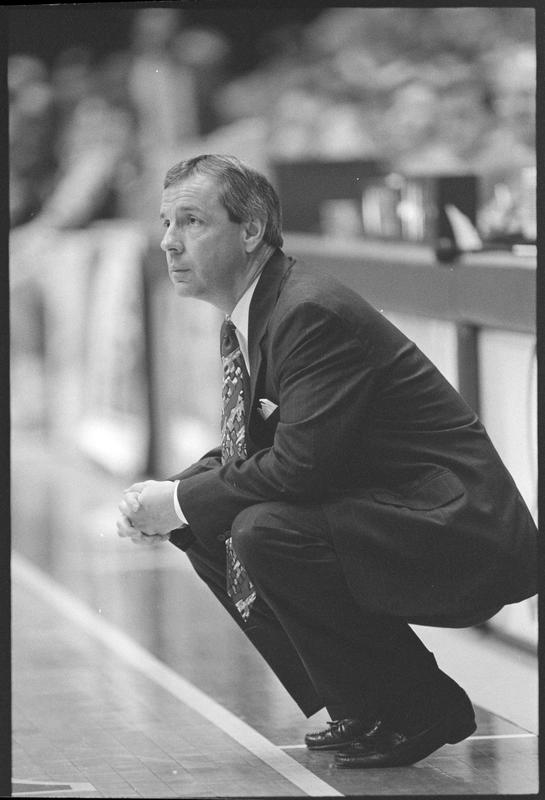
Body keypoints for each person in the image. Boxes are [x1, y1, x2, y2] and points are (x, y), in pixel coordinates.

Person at [116, 154, 537, 768]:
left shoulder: (308, 311)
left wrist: (177, 500)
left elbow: (296, 468)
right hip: (394, 513)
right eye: (165, 223)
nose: (169, 242)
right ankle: (365, 703)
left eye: (192, 222)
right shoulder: (259, 310)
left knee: (261, 528)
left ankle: (423, 705)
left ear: (251, 230)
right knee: (206, 519)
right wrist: (165, 499)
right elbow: (251, 453)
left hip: (460, 529)